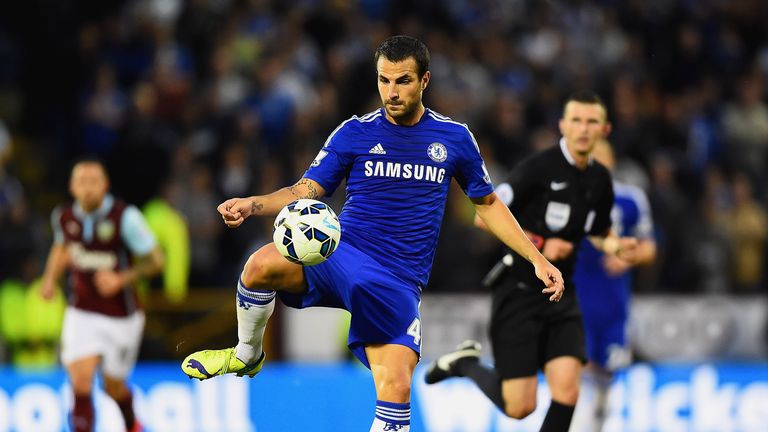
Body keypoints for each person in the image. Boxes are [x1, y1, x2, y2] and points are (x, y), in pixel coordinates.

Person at [181, 35, 564, 432]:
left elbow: (486, 204)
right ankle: (247, 354)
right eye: (384, 81)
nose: (391, 92)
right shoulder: (354, 133)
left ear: (424, 80)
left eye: (402, 81)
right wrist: (252, 203)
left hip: (396, 280)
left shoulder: (454, 138)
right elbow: (303, 191)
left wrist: (535, 259)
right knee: (259, 265)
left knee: (396, 390)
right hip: (340, 254)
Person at [425, 91, 641, 432]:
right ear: (562, 126)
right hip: (520, 291)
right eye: (576, 121)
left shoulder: (600, 180)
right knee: (520, 406)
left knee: (568, 391)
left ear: (605, 129)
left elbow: (596, 230)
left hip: (563, 296)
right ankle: (466, 364)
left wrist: (614, 245)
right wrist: (540, 244)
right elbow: (484, 217)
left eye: (592, 122)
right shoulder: (538, 169)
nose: (583, 129)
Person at [41, 157, 164, 432]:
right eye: (82, 182)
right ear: (72, 187)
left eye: (94, 182)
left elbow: (156, 260)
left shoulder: (126, 218)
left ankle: (132, 424)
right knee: (81, 381)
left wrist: (122, 278)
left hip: (122, 316)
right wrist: (49, 279)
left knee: (113, 386)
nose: (88, 189)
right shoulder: (64, 217)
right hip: (81, 311)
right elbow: (61, 247)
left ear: (105, 185)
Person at [572, 139, 657, 431]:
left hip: (612, 306)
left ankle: (598, 422)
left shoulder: (631, 199)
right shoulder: (568, 197)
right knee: (578, 376)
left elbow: (650, 248)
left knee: (606, 379)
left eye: (601, 157)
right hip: (576, 302)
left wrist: (629, 257)